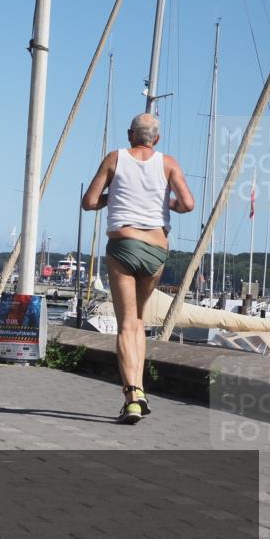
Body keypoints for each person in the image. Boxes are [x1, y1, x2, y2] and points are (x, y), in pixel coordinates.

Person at [82, 113, 194, 424]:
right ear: (156, 139)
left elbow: (89, 201)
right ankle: (141, 388)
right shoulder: (168, 162)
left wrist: (111, 197)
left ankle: (132, 396)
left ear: (131, 134)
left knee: (126, 324)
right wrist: (164, 203)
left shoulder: (115, 158)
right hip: (156, 251)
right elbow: (187, 204)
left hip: (124, 245)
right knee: (140, 321)